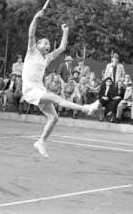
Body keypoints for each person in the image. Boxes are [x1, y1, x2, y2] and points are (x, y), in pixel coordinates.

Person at [22, 10, 99, 158]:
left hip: (39, 88)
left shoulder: (47, 57)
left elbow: (62, 48)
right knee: (56, 98)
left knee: (54, 118)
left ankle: (41, 141)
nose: (48, 45)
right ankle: (85, 108)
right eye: (45, 42)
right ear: (37, 44)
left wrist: (65, 31)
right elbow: (31, 34)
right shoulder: (32, 51)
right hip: (30, 89)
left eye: (49, 44)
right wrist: (35, 18)